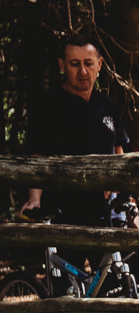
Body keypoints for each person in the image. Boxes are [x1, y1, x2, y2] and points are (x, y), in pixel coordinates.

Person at [23, 33, 131, 226]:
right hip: (63, 210)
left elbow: (118, 151)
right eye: (74, 64)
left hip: (105, 209)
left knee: (115, 257)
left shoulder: (107, 105)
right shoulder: (47, 107)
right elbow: (36, 157)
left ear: (99, 64)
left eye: (88, 63)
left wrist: (121, 192)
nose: (82, 71)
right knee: (66, 258)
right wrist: (34, 200)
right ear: (62, 65)